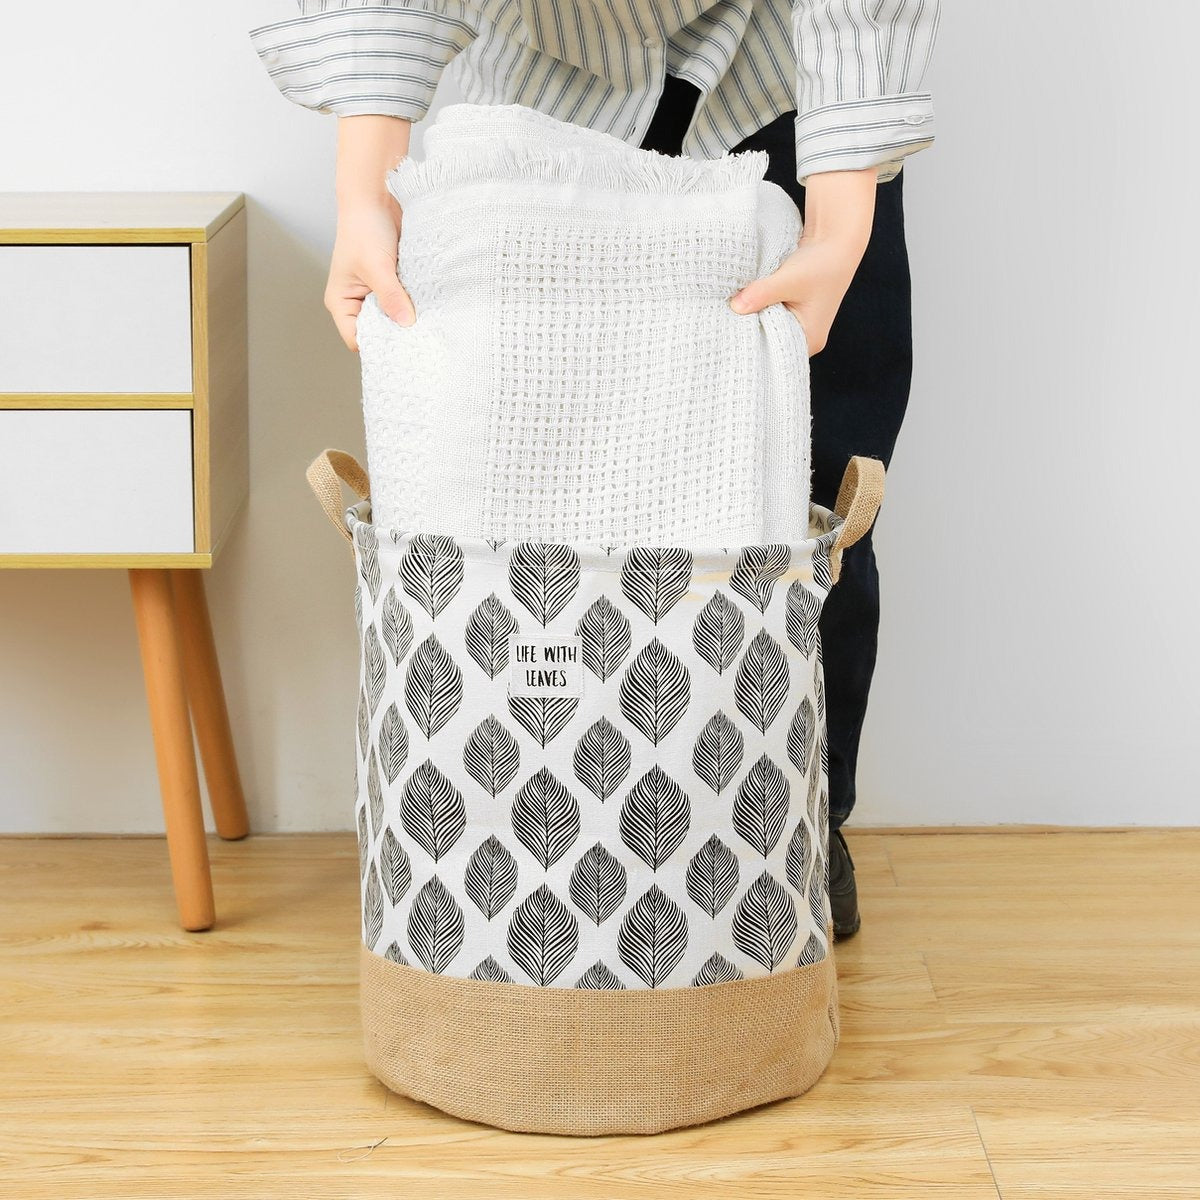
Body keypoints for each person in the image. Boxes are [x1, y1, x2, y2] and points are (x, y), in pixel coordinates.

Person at [249, 1, 941, 939]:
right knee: (515, 507)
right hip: (543, 109)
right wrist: (363, 193)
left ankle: (788, 827)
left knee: (807, 487)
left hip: (786, 82)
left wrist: (840, 225)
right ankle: (519, 845)